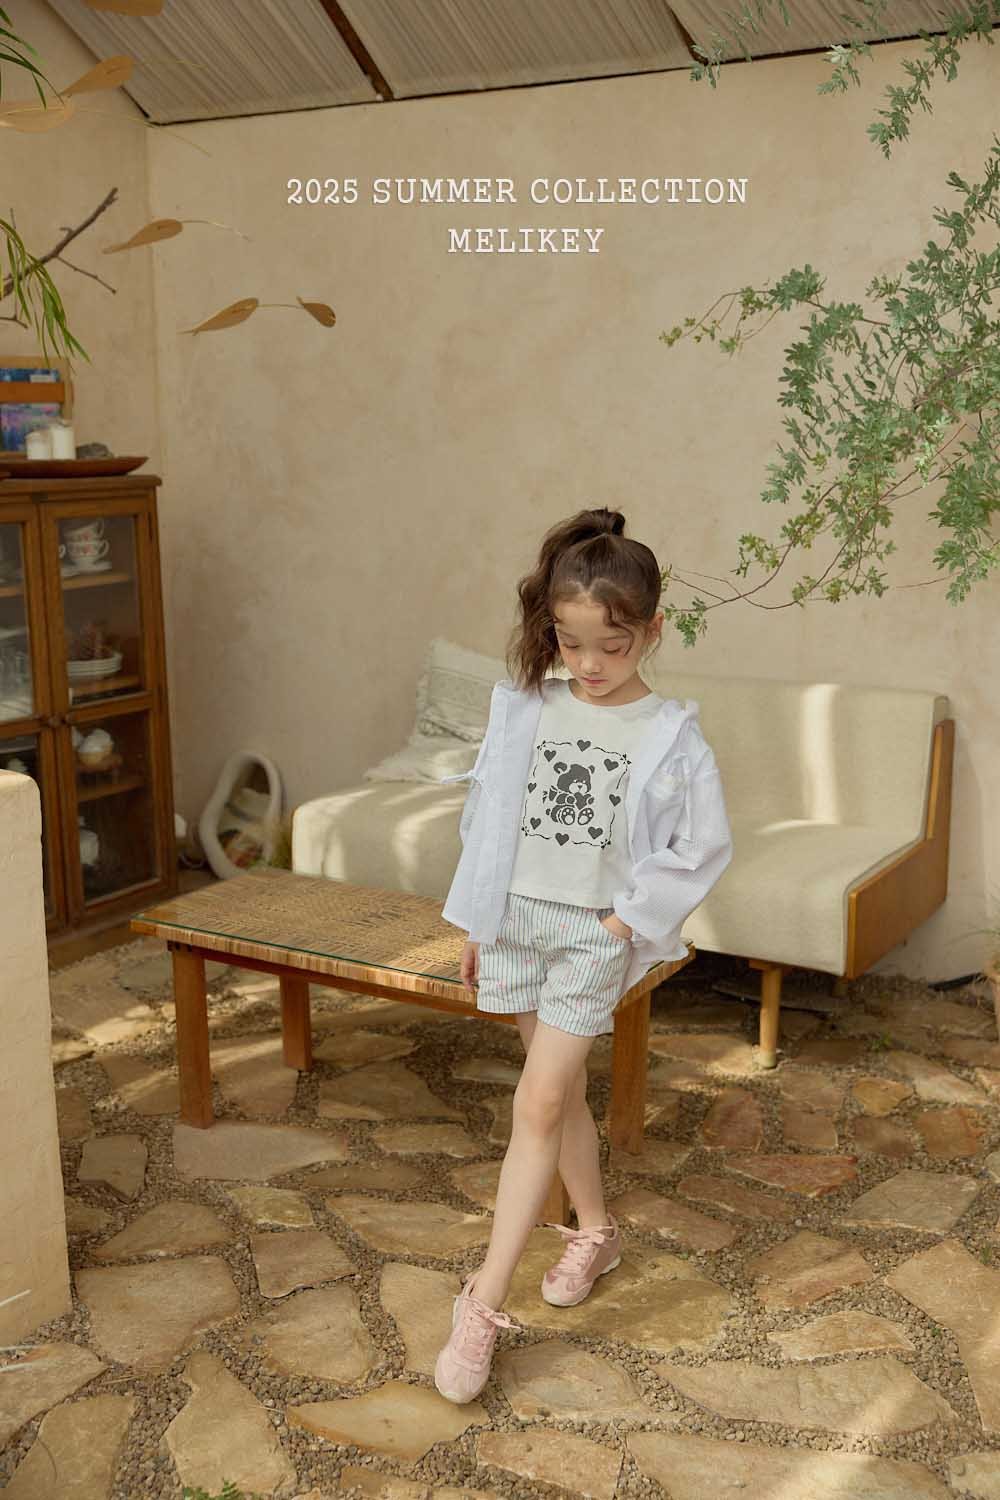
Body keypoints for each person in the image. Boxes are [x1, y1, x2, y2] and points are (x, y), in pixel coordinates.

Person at [433, 506, 734, 1405]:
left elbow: (702, 846)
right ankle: (595, 1233)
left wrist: (625, 924)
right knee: (555, 1096)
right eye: (571, 645)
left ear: (652, 630)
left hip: (592, 935)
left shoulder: (671, 733)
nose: (591, 665)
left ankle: (482, 1302)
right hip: (515, 922)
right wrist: (478, 922)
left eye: (612, 646)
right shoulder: (527, 705)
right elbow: (488, 820)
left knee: (536, 1101)